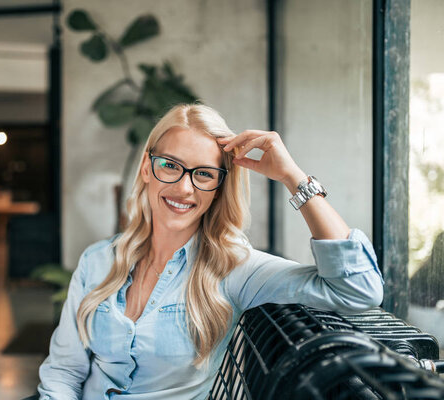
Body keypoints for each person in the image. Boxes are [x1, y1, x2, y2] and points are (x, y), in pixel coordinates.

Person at [36, 104, 384, 399]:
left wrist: (294, 177)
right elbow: (64, 372)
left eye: (203, 174)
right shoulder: (98, 261)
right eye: (170, 165)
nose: (184, 188)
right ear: (147, 167)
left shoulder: (234, 268)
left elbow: (358, 289)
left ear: (219, 188)